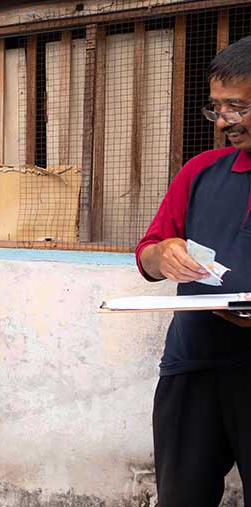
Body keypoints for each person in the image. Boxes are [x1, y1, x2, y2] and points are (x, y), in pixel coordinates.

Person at [136, 35, 251, 505]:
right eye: (217, 108)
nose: (224, 121)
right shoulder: (202, 171)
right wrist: (162, 255)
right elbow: (146, 254)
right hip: (194, 365)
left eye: (238, 107)